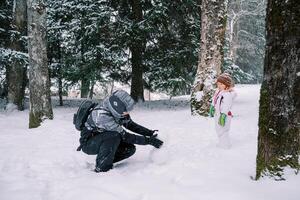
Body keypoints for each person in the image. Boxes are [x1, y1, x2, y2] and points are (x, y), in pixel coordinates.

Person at [78, 90, 163, 172]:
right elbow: (125, 136)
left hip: (103, 138)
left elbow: (130, 125)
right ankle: (102, 167)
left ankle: (105, 160)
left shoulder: (115, 111)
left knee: (129, 148)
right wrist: (149, 141)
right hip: (89, 143)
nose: (126, 113)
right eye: (125, 110)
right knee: (114, 135)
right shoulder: (101, 117)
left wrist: (150, 133)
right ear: (118, 107)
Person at [209, 73, 237, 149]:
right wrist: (212, 107)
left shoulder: (227, 95)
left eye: (221, 84)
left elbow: (227, 106)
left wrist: (223, 115)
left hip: (224, 115)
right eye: (218, 84)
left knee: (223, 130)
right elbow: (214, 99)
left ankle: (225, 145)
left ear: (227, 85)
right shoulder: (218, 91)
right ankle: (222, 143)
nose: (219, 85)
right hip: (217, 114)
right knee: (218, 129)